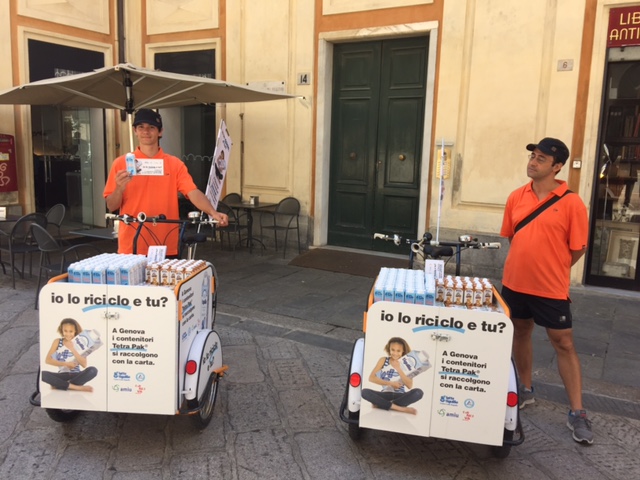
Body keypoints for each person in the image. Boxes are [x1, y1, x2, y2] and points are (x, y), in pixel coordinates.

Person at [500, 137, 593, 444]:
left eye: (541, 159)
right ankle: (525, 390)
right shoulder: (516, 197)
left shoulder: (572, 203)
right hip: (515, 283)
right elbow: (514, 237)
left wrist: (551, 267)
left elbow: (577, 249)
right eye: (533, 156)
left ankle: (577, 412)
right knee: (519, 332)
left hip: (551, 288)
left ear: (557, 166)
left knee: (563, 343)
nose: (533, 162)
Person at [104, 109, 229, 256]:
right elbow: (111, 205)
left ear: (160, 132)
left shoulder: (174, 164)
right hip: (131, 244)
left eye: (151, 127)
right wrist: (119, 188)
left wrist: (212, 212)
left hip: (165, 243)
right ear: (135, 131)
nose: (146, 131)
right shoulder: (121, 164)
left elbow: (192, 192)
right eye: (141, 127)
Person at [361, 337, 424, 415]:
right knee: (364, 392)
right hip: (384, 395)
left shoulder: (407, 363)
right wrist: (390, 383)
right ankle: (400, 408)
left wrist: (398, 368)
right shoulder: (383, 360)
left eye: (398, 351)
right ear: (389, 349)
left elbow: (409, 385)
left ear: (403, 351)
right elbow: (371, 378)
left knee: (418, 392)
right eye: (392, 350)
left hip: (400, 396)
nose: (395, 353)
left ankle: (383, 405)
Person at [42, 318, 98, 392]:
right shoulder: (57, 341)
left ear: (75, 331)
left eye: (71, 331)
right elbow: (48, 360)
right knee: (42, 374)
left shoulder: (80, 343)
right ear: (62, 330)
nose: (68, 334)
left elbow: (84, 364)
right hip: (62, 375)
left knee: (93, 370)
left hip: (76, 375)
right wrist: (65, 364)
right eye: (65, 331)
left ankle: (62, 385)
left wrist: (72, 349)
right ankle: (76, 387)